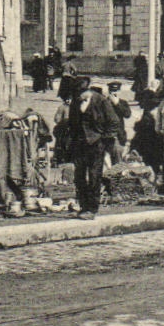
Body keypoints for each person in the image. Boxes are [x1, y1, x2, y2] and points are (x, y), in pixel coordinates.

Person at [65, 79, 125, 220]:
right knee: (79, 177)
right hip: (79, 144)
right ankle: (83, 207)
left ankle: (92, 209)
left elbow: (114, 122)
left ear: (88, 91)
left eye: (81, 94)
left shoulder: (101, 101)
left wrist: (103, 139)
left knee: (94, 176)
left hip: (96, 144)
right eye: (76, 95)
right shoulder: (75, 101)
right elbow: (73, 123)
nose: (78, 97)